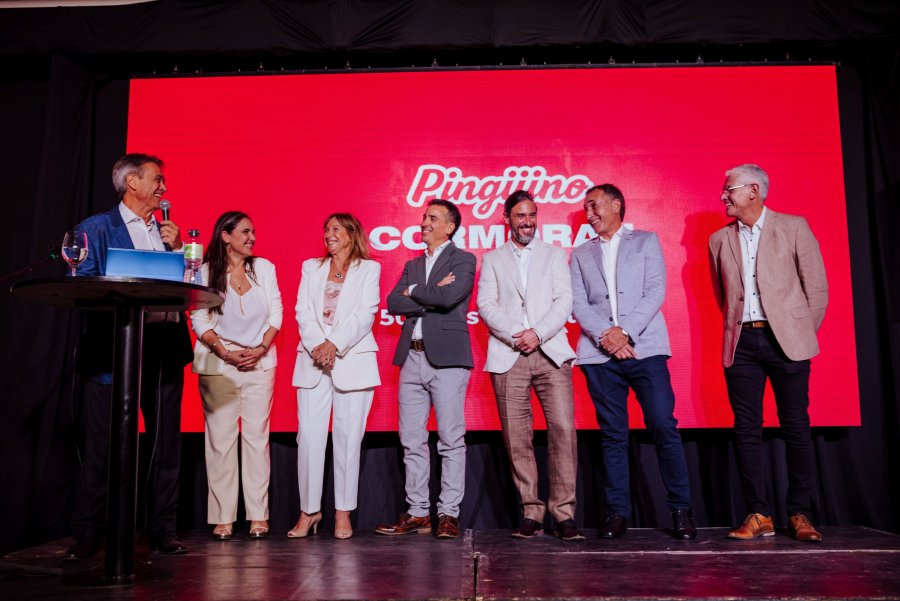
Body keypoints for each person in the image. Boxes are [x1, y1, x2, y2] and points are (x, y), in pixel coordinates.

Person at [67, 153, 193, 558]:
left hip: (163, 347)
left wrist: (179, 252)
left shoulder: (166, 232)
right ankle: (87, 535)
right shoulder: (96, 228)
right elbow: (80, 284)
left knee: (164, 447)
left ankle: (163, 531)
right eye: (157, 180)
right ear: (132, 183)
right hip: (113, 349)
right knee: (102, 447)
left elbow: (186, 286)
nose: (164, 188)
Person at [570, 183, 696, 540]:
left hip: (646, 348)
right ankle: (617, 512)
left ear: (616, 205)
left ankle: (681, 509)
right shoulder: (580, 253)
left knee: (663, 424)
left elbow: (655, 290)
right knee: (613, 434)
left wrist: (624, 333)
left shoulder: (646, 241)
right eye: (586, 208)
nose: (589, 214)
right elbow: (578, 303)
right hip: (599, 355)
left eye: (594, 206)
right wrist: (607, 337)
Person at [709, 164, 828, 542]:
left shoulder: (794, 227)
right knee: (746, 429)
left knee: (796, 425)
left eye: (729, 189)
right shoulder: (718, 239)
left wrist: (798, 333)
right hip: (741, 343)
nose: (723, 196)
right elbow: (722, 295)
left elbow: (817, 289)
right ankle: (759, 514)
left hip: (786, 341)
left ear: (754, 191)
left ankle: (800, 512)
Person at [476, 190, 583, 541]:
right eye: (521, 215)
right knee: (516, 437)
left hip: (550, 351)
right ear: (507, 218)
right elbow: (486, 304)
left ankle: (563, 514)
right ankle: (531, 512)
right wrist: (516, 335)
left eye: (532, 215)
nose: (527, 222)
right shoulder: (492, 259)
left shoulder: (554, 255)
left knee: (563, 430)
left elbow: (564, 300)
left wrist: (537, 333)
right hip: (509, 355)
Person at [376, 199, 475, 539]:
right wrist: (430, 294)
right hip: (412, 358)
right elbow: (393, 302)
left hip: (448, 360)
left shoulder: (463, 259)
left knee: (450, 439)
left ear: (450, 226)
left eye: (433, 218)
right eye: (423, 217)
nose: (424, 223)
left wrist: (416, 291)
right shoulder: (413, 263)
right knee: (412, 440)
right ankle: (418, 512)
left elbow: (449, 298)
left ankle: (448, 513)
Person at [190, 211, 282, 541]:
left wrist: (261, 348)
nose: (252, 237)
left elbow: (276, 313)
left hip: (260, 362)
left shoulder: (264, 268)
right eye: (245, 232)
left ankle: (258, 515)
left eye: (253, 232)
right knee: (221, 441)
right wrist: (225, 353)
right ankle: (223, 518)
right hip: (219, 364)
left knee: (256, 438)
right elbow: (199, 320)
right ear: (225, 236)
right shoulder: (204, 272)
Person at [290, 213, 381, 540]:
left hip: (352, 360)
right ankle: (309, 511)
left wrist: (334, 344)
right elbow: (302, 311)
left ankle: (343, 513)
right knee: (309, 438)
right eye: (326, 229)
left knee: (347, 439)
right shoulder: (311, 267)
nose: (329, 234)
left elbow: (366, 314)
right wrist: (319, 345)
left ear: (352, 234)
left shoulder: (369, 269)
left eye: (336, 229)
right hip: (313, 360)